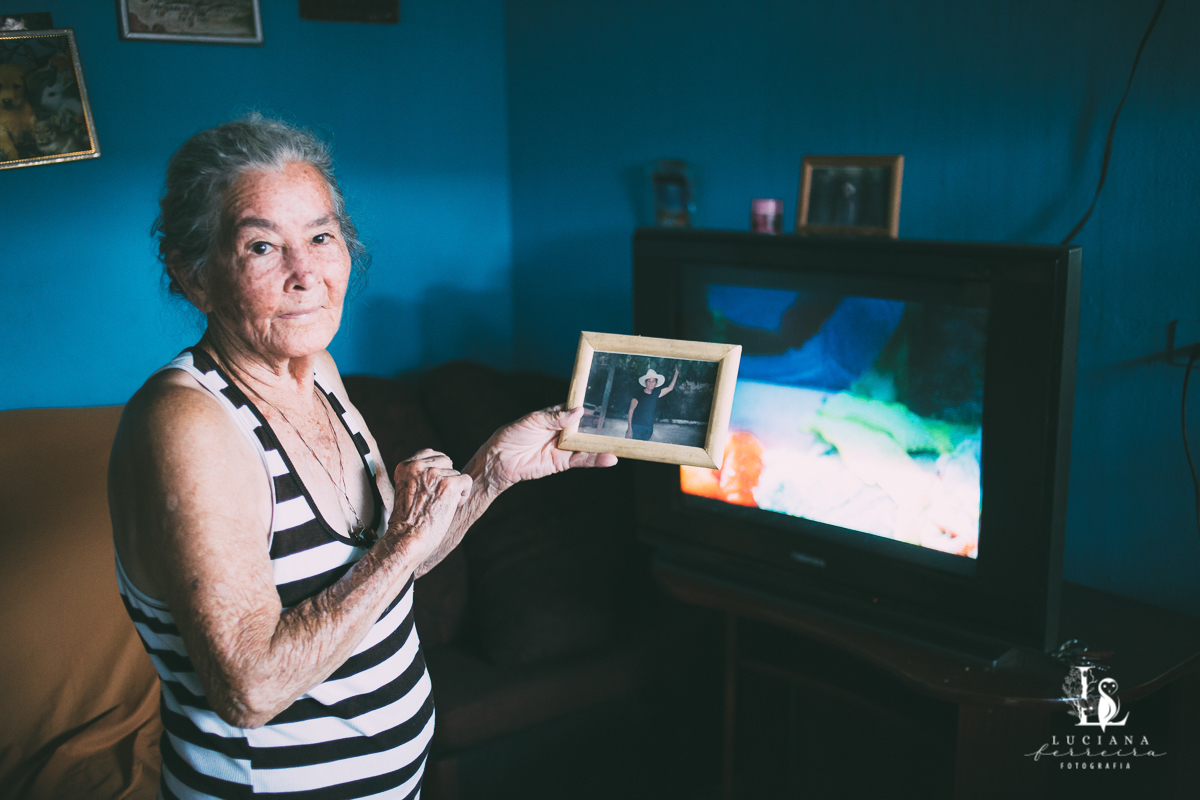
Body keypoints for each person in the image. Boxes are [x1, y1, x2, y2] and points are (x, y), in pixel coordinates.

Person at [107, 115, 615, 800]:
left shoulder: (317, 372)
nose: (306, 274)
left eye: (321, 237)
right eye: (262, 246)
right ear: (195, 276)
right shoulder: (189, 422)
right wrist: (401, 545)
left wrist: (492, 472)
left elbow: (393, 570)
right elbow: (250, 690)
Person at [625, 365, 679, 440]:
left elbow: (670, 388)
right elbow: (631, 411)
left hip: (649, 429)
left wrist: (676, 373)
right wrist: (629, 429)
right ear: (645, 382)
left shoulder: (656, 393)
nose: (651, 383)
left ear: (656, 383)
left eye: (653, 381)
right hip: (636, 427)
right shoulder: (638, 394)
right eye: (649, 381)